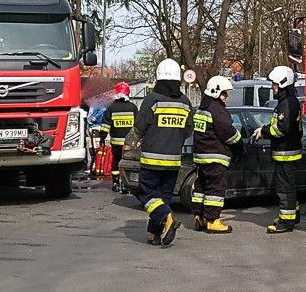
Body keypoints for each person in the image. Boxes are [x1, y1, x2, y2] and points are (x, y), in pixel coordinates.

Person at [134, 58, 191, 246]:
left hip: (152, 159)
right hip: (173, 161)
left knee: (148, 196)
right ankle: (154, 234)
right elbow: (189, 130)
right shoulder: (185, 102)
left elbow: (140, 127)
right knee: (163, 198)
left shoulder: (152, 99)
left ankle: (167, 218)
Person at [251, 65, 302, 233]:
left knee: (284, 189)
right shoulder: (287, 102)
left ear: (282, 84)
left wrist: (264, 131)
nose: (272, 88)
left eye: (274, 85)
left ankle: (286, 222)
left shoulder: (287, 103)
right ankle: (293, 215)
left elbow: (282, 129)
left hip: (286, 153)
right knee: (289, 187)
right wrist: (264, 129)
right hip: (285, 152)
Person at [191, 75, 243, 234]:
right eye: (224, 93)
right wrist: (240, 144)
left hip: (201, 156)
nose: (226, 97)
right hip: (215, 157)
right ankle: (213, 221)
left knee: (201, 187)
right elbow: (228, 133)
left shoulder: (202, 108)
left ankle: (200, 217)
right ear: (215, 92)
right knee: (215, 189)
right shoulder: (217, 110)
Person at [103, 82, 137, 191]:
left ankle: (115, 183)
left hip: (116, 143)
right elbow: (138, 126)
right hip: (129, 144)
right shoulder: (133, 107)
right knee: (129, 163)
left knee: (116, 162)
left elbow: (105, 125)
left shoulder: (111, 108)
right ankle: (128, 183)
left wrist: (102, 138)